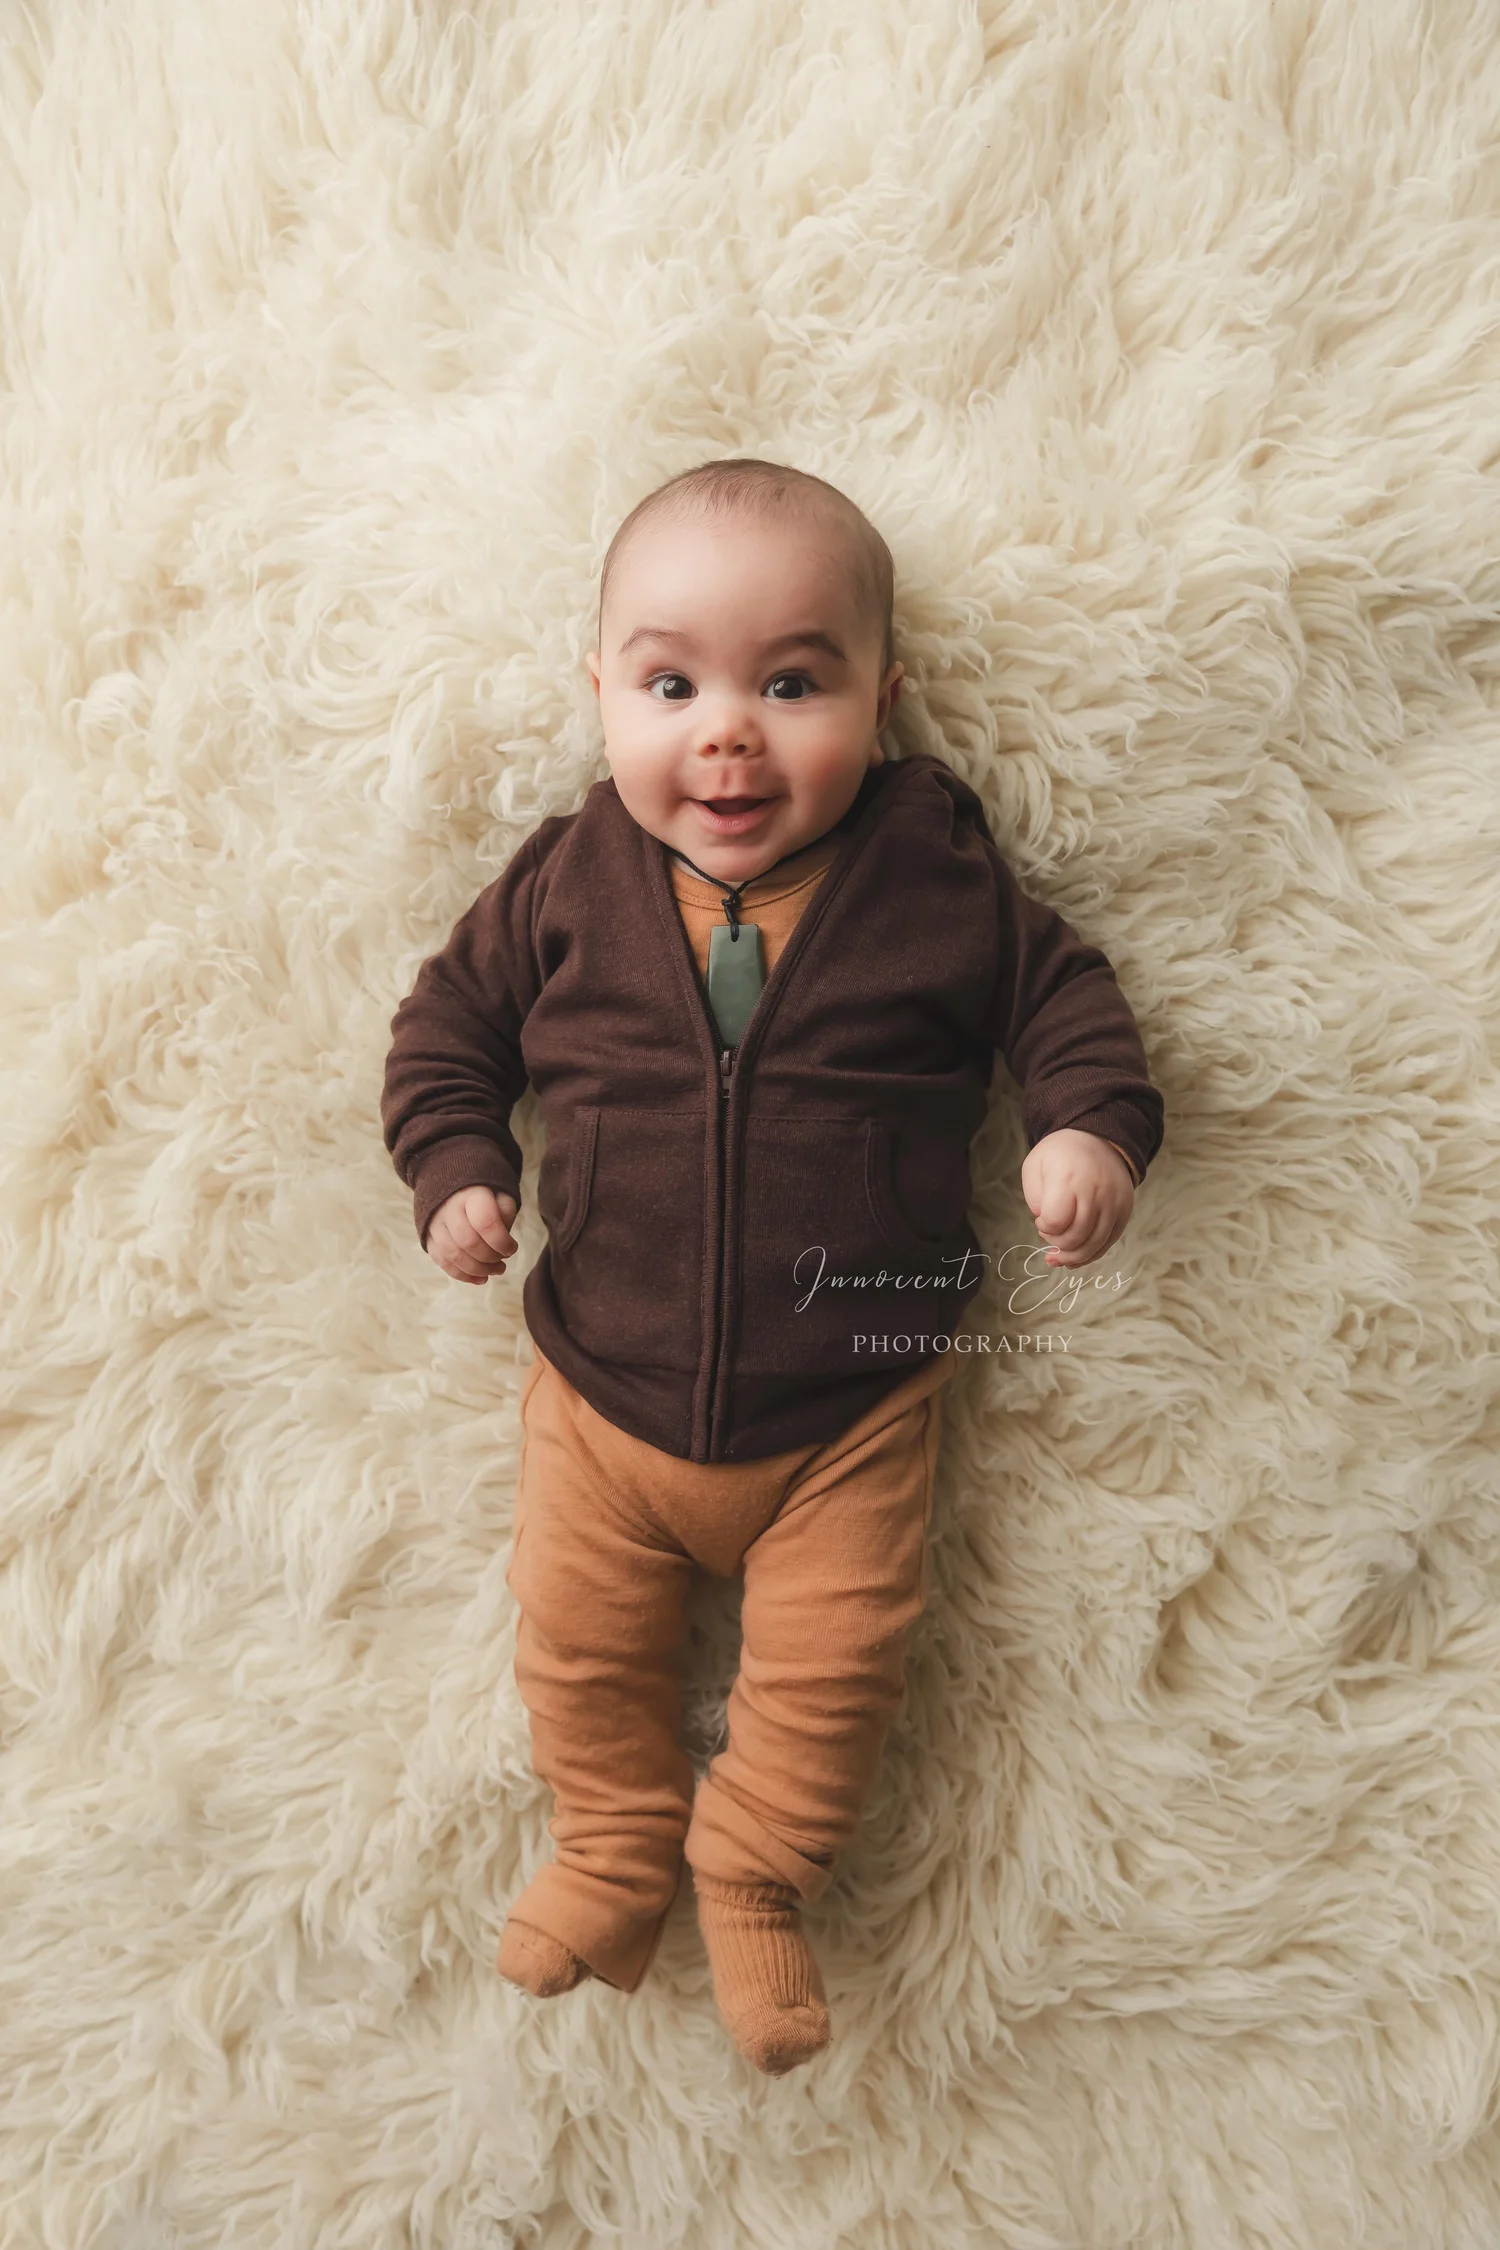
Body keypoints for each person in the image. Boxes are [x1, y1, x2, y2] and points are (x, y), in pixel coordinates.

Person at [380, 458, 1164, 2074]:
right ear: (600, 692)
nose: (727, 733)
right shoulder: (566, 880)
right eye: (671, 685)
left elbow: (1067, 1002)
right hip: (603, 1389)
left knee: (835, 1672)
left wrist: (1087, 1130)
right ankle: (612, 1843)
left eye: (793, 684)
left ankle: (752, 1868)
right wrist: (454, 1167)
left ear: (887, 696)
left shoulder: (937, 880)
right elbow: (445, 1033)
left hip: (850, 1405)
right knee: (576, 1640)